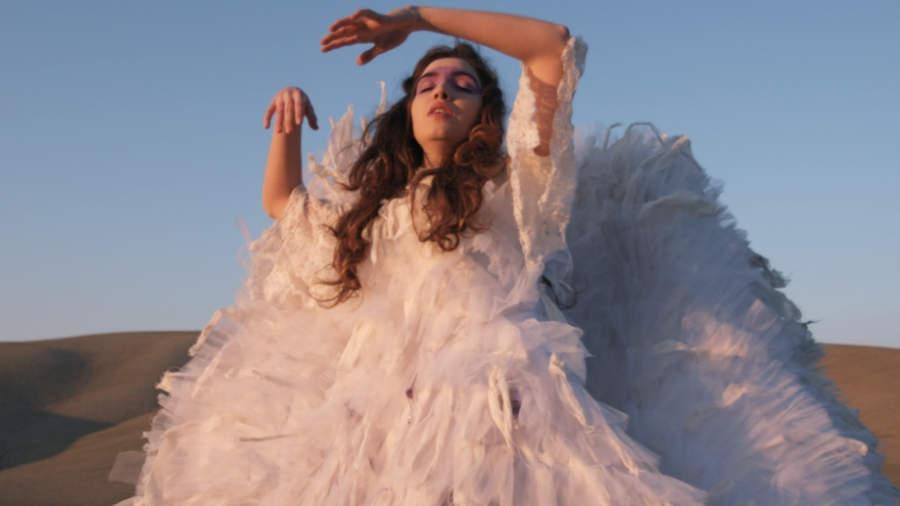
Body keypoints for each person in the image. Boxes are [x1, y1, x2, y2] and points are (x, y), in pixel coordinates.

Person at [111, 6, 898, 506]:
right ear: (406, 111)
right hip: (381, 434)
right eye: (426, 83)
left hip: (514, 426)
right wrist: (285, 127)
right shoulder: (376, 216)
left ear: (488, 112)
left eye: (462, 83)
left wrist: (416, 19)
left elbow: (553, 47)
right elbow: (285, 211)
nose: (442, 90)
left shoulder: (519, 189)